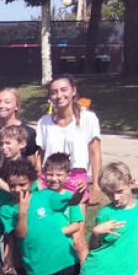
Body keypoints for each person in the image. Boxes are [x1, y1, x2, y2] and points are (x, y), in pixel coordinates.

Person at [36, 75, 102, 205]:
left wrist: (96, 185)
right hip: (49, 180)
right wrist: (38, 179)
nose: (59, 95)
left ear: (73, 91)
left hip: (76, 181)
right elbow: (40, 155)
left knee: (76, 223)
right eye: (54, 92)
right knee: (50, 222)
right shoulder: (44, 122)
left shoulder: (88, 119)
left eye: (64, 90)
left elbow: (95, 154)